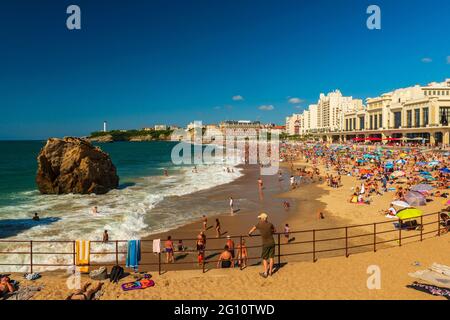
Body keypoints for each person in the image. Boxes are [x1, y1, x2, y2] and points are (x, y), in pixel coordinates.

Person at [248, 213, 276, 278]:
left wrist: (249, 233)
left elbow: (252, 230)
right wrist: (270, 232)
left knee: (264, 258)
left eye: (260, 218)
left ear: (262, 218)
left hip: (265, 243)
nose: (259, 219)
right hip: (272, 242)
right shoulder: (270, 224)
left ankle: (266, 272)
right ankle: (270, 272)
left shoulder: (259, 224)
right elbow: (275, 230)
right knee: (271, 257)